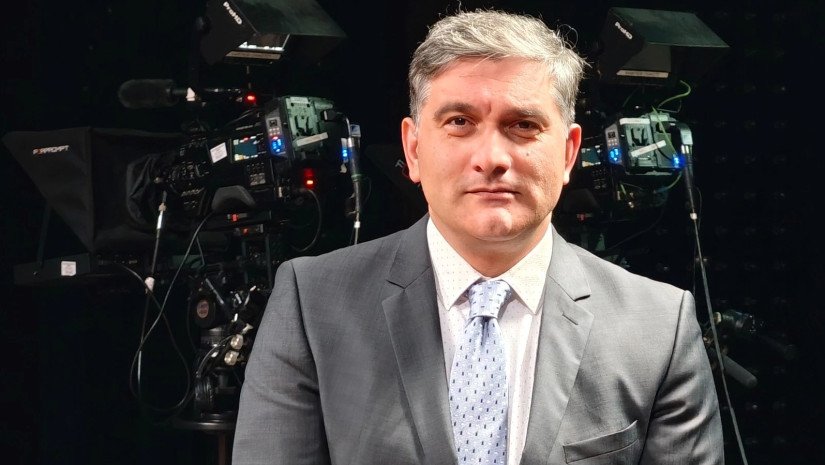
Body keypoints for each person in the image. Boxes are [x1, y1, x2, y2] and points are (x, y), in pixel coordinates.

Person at [232, 8, 723, 465]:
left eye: (523, 125)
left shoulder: (659, 328)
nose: (491, 158)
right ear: (413, 148)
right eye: (460, 122)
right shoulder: (312, 305)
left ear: (569, 153)